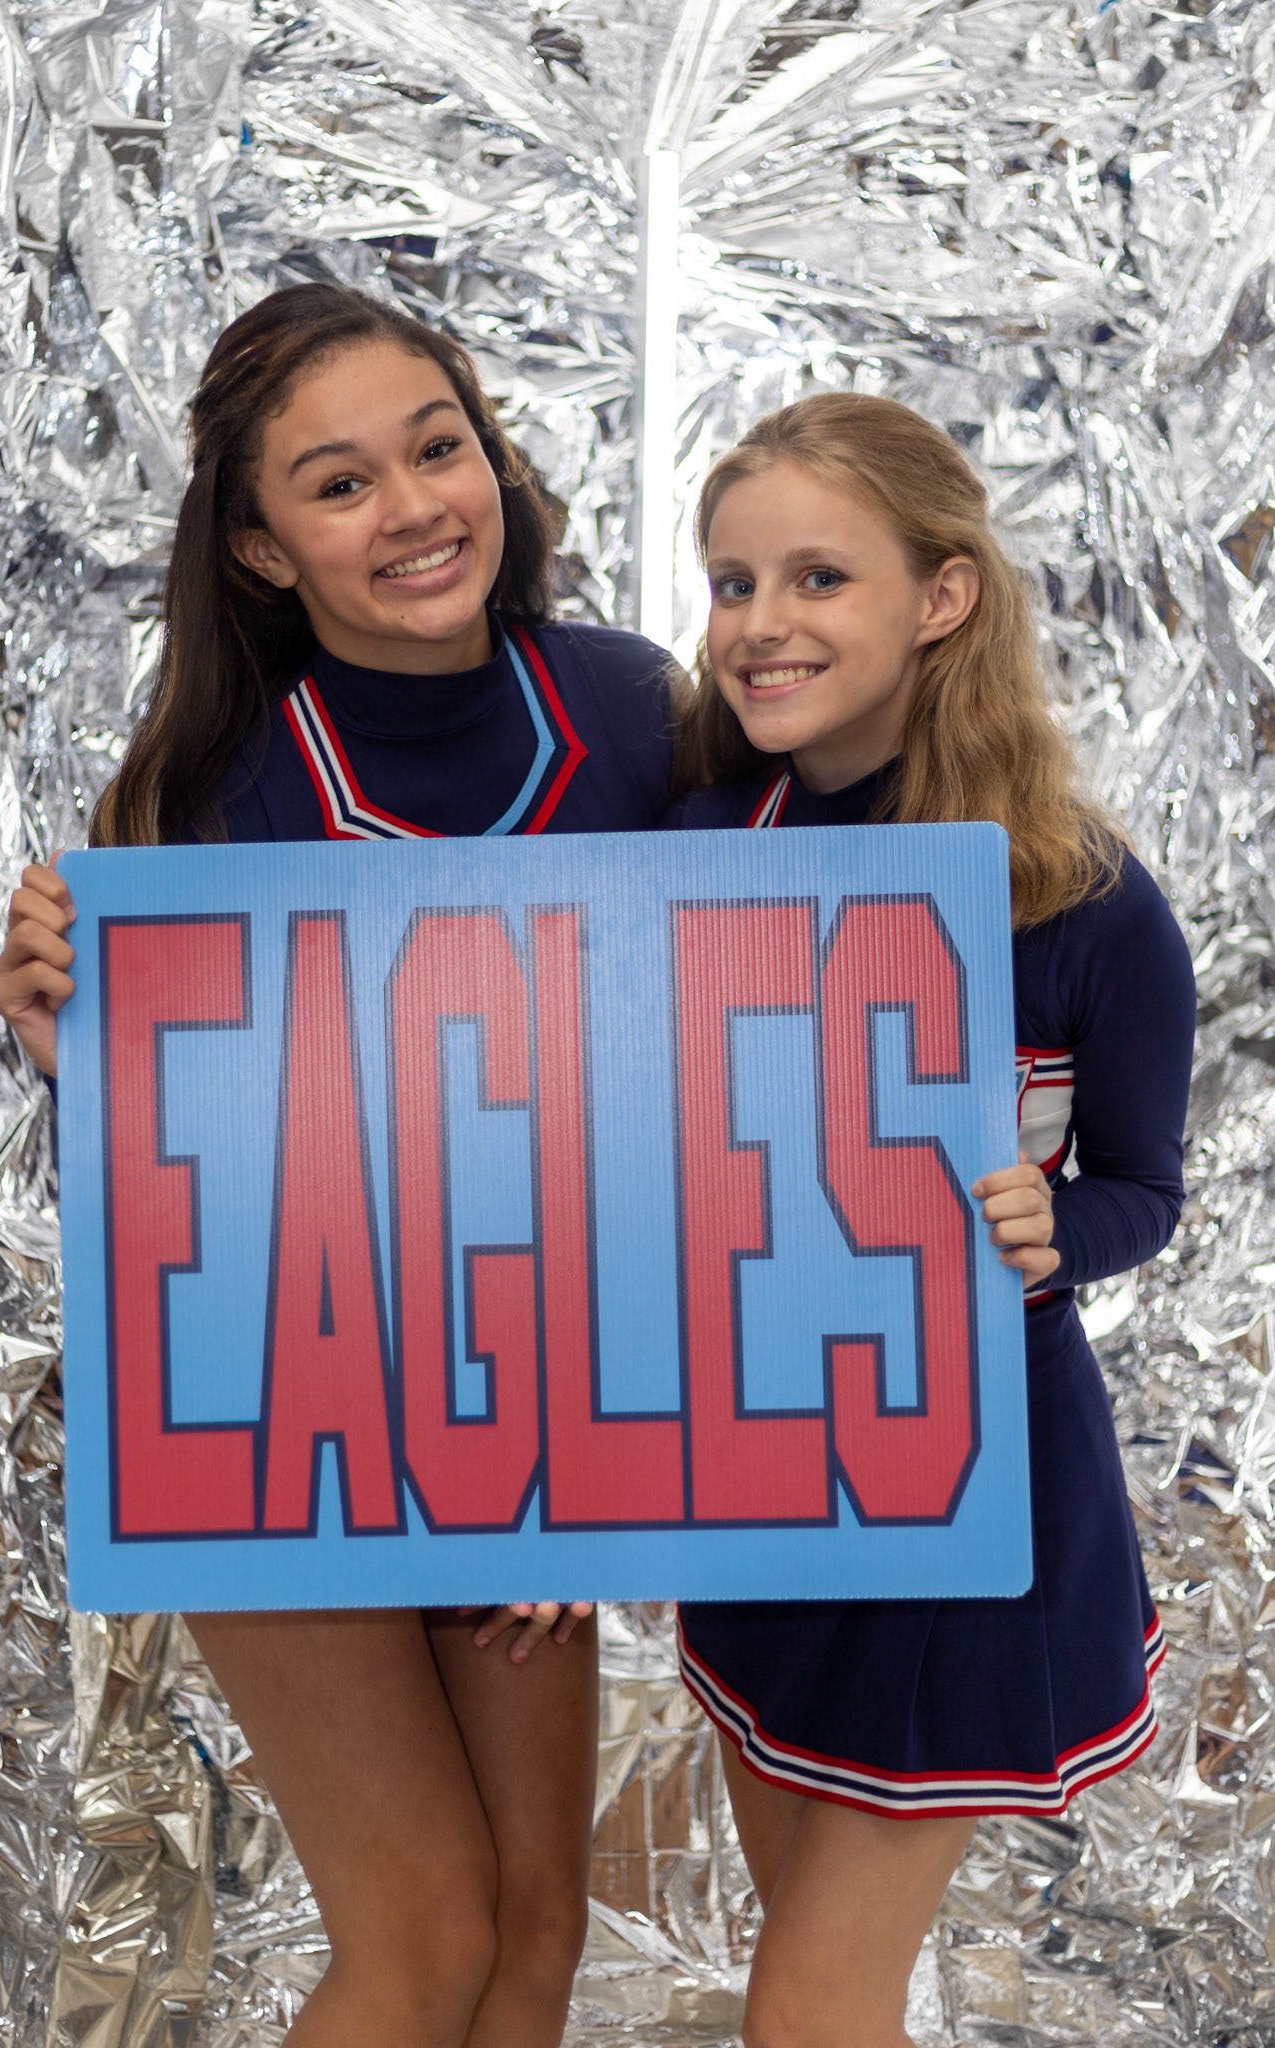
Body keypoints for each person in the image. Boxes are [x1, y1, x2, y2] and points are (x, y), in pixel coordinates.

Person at [0, 282, 675, 2048]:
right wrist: (83, 1061)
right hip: (276, 1405)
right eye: (339, 482)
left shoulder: (632, 712)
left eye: (435, 447)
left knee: (533, 1938)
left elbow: (716, 1055)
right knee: (426, 1940)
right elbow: (176, 1205)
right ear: (264, 548)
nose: (415, 507)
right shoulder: (212, 793)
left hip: (523, 1414)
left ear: (491, 458)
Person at [666, 391, 1195, 2048]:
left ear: (940, 597)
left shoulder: (1081, 897)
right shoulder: (690, 848)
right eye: (733, 581)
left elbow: (1141, 1193)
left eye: (818, 578)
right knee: (822, 1990)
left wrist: (1051, 1227)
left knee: (805, 2007)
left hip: (976, 1497)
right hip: (758, 1489)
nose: (762, 626)